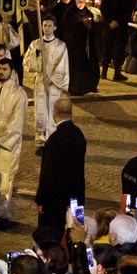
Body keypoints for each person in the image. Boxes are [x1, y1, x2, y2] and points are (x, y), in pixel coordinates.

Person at [34, 95, 86, 229]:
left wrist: (41, 200)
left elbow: (48, 173)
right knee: (74, 233)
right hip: (76, 196)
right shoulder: (79, 135)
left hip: (55, 200)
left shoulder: (54, 140)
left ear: (54, 112)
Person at [0, 59, 25, 231]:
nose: (1, 72)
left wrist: (0, 139)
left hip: (8, 144)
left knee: (6, 180)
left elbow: (16, 122)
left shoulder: (19, 93)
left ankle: (4, 215)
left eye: (4, 69)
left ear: (11, 71)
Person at [24, 17, 69, 151]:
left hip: (54, 84)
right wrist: (36, 52)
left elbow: (63, 65)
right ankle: (40, 138)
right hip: (40, 82)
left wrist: (53, 78)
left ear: (55, 27)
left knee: (53, 109)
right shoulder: (35, 44)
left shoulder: (61, 45)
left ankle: (52, 137)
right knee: (40, 110)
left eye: (50, 26)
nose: (47, 28)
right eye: (44, 25)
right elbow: (27, 63)